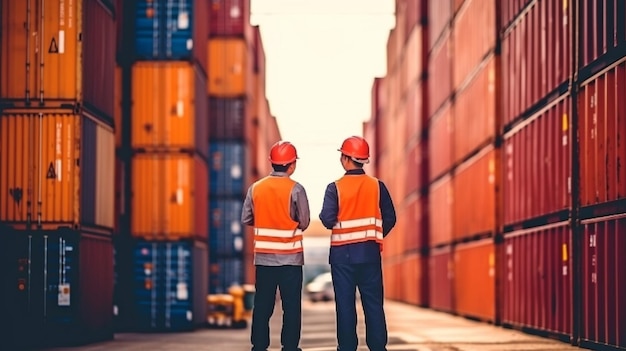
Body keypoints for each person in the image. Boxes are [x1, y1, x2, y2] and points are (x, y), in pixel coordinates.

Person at [319, 136, 397, 351]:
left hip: (342, 257)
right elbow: (390, 218)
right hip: (370, 254)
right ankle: (378, 348)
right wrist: (374, 235)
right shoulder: (377, 186)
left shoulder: (334, 188)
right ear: (363, 160)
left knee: (345, 307)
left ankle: (347, 348)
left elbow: (326, 219)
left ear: (345, 158)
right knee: (373, 305)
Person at [241, 141, 311, 351]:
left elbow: (246, 218)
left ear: (272, 163)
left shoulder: (256, 188)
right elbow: (305, 222)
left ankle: (259, 346)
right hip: (290, 260)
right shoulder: (296, 189)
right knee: (291, 307)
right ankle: (289, 347)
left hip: (264, 259)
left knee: (262, 306)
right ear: (292, 164)